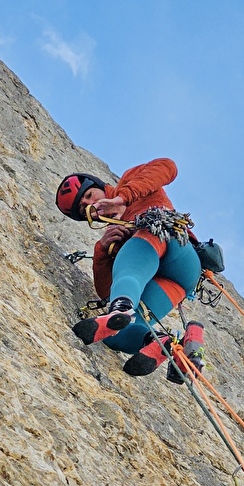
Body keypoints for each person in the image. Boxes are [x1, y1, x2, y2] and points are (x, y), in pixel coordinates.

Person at [55, 159, 203, 376]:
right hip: (176, 281)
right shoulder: (113, 238)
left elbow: (168, 167)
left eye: (89, 196)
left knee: (131, 260)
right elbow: (106, 291)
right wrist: (103, 252)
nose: (90, 206)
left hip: (171, 241)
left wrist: (122, 198)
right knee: (115, 337)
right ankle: (172, 347)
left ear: (98, 185)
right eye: (83, 208)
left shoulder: (131, 182)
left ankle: (122, 307)